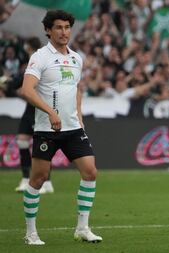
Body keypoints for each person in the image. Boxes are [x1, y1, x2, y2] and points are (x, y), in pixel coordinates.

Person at [20, 10, 102, 245]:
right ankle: (30, 233)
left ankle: (83, 228)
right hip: (47, 129)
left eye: (67, 27)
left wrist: (80, 115)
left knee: (90, 172)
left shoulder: (77, 58)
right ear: (48, 30)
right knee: (38, 179)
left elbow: (76, 88)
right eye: (58, 27)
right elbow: (27, 90)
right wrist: (51, 112)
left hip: (73, 128)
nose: (64, 32)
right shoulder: (40, 57)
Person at [15, 37, 55, 194]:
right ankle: (25, 179)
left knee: (43, 145)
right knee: (22, 142)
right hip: (29, 109)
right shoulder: (30, 64)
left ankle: (47, 182)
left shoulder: (42, 62)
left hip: (40, 109)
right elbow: (18, 82)